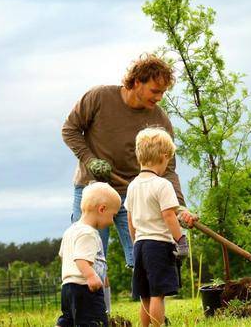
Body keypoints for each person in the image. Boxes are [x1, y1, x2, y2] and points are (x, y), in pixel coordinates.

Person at [61, 53, 195, 310]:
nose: (159, 98)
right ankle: (99, 315)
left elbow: (169, 169)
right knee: (88, 255)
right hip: (93, 191)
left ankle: (152, 315)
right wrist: (90, 161)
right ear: (136, 81)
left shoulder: (159, 119)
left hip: (134, 194)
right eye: (155, 91)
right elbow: (69, 129)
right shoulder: (99, 97)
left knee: (143, 256)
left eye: (163, 93)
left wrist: (177, 207)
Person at [126, 127, 195, 327]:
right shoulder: (163, 185)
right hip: (158, 245)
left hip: (140, 245)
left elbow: (130, 220)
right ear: (164, 157)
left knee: (145, 294)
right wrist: (181, 240)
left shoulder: (132, 186)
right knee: (158, 293)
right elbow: (169, 215)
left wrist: (134, 243)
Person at [56, 182, 121, 327]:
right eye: (113, 215)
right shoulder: (89, 233)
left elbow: (63, 256)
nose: (112, 221)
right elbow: (81, 259)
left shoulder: (71, 230)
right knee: (94, 321)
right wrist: (91, 276)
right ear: (102, 209)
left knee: (69, 318)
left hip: (67, 288)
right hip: (86, 287)